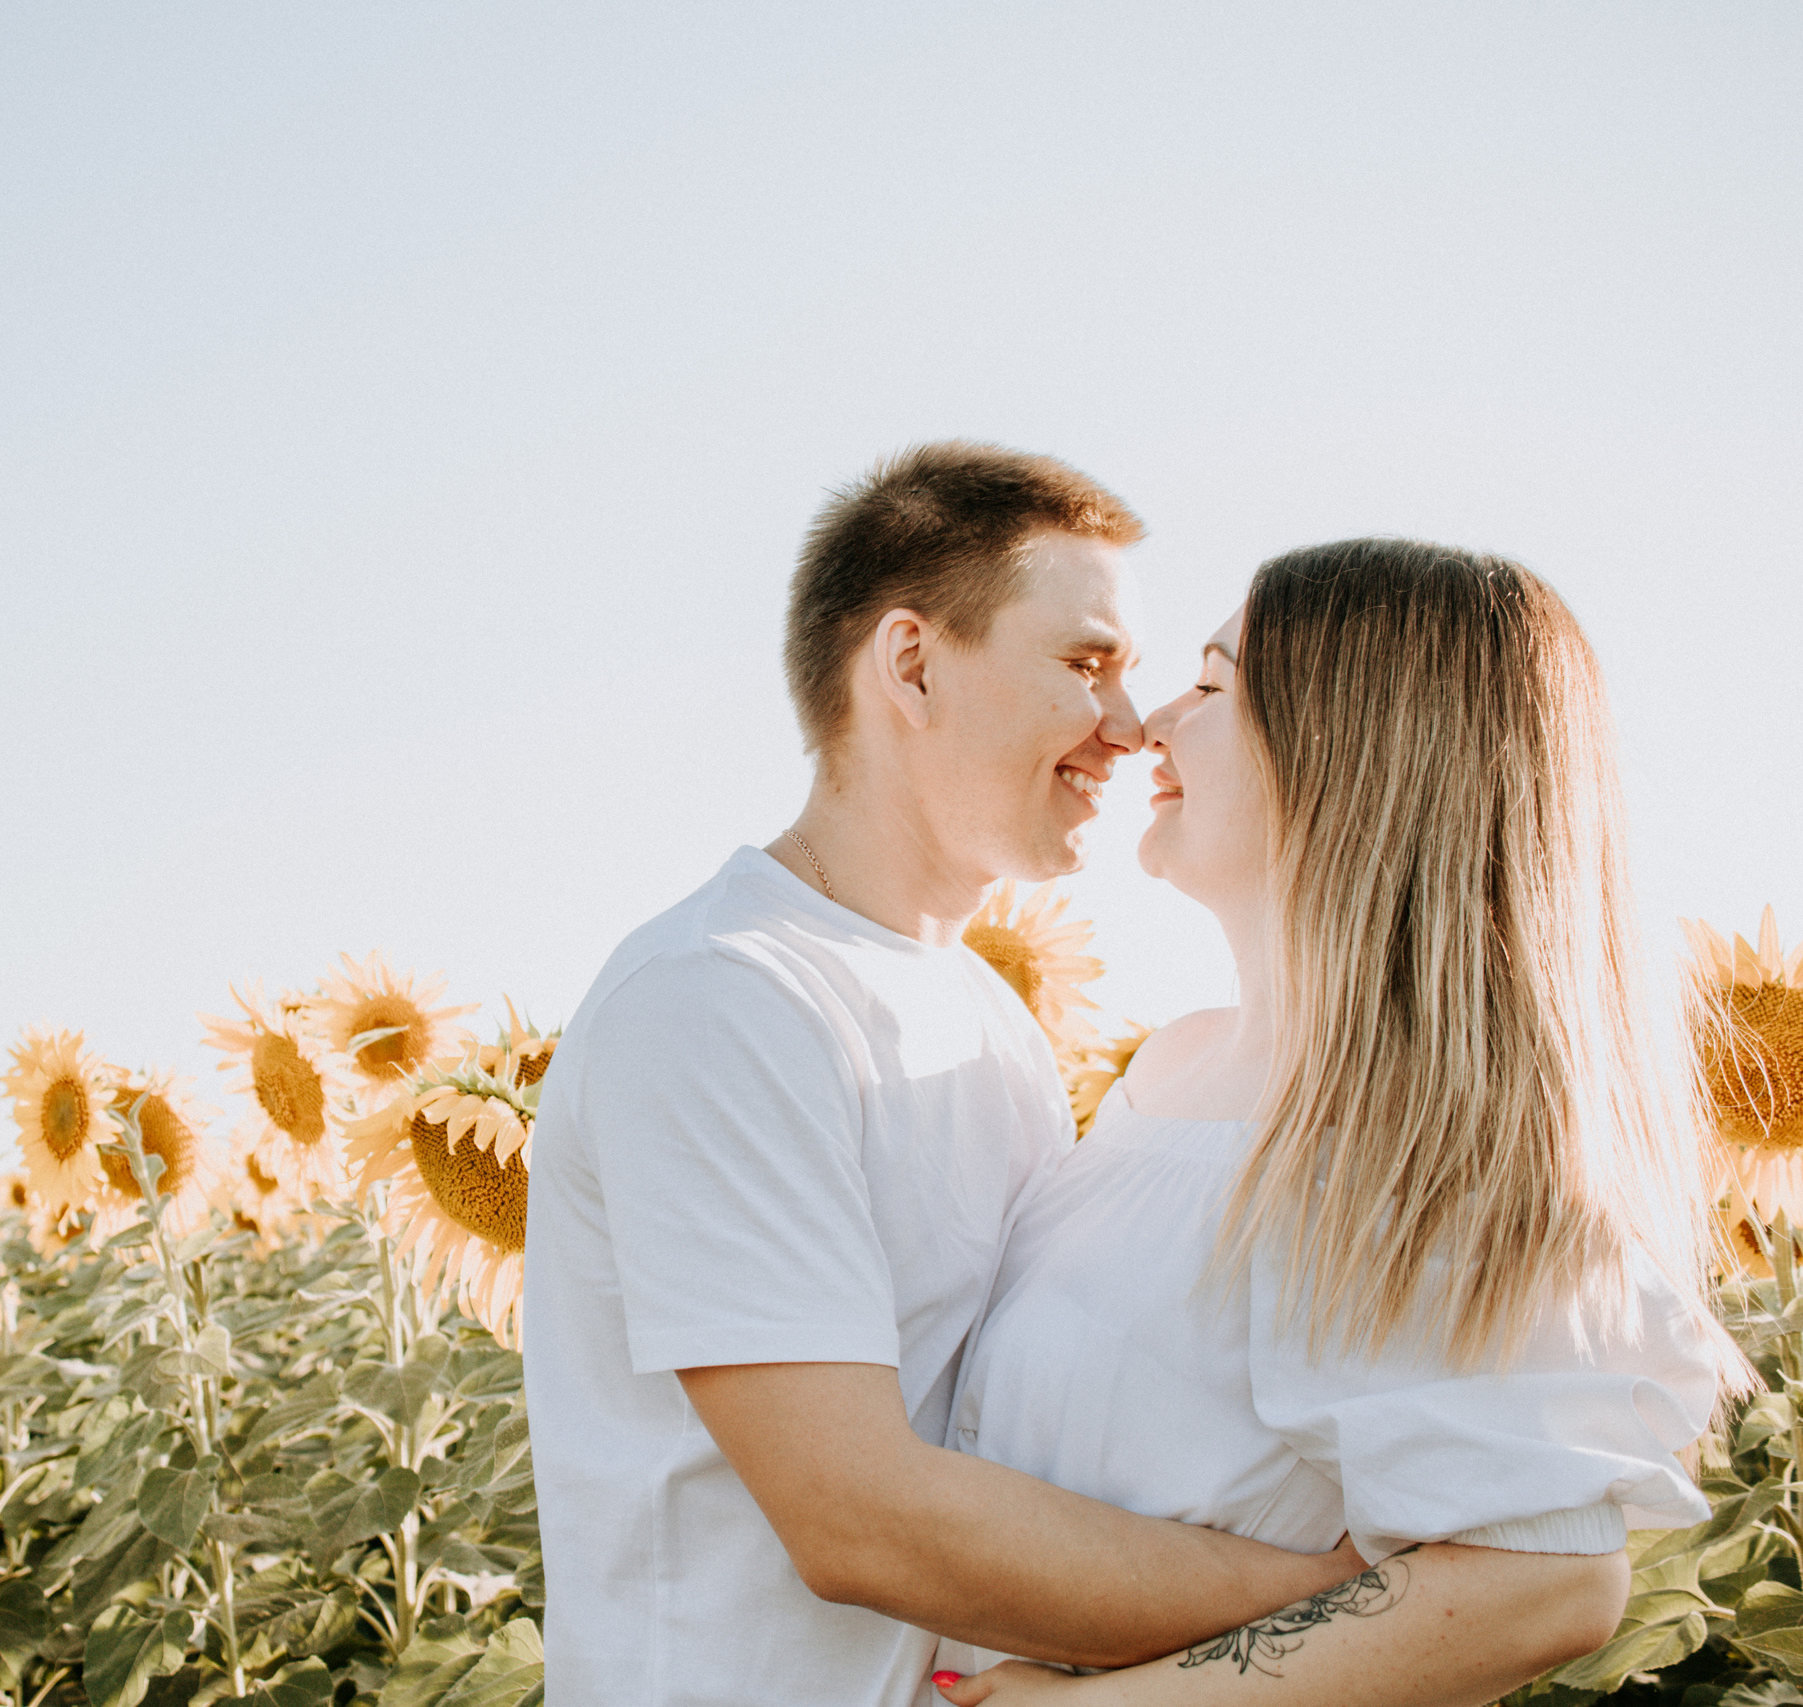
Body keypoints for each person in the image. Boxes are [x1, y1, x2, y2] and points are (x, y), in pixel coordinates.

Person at [523, 443, 1370, 1707]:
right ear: (911, 665)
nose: (1130, 730)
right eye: (1085, 664)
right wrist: (1350, 1606)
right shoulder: (719, 1001)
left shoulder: (989, 1024)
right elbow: (860, 1522)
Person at [934, 539, 1739, 1705]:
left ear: (1349, 752)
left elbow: (1544, 1584)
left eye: (1211, 686)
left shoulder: (1414, 1144)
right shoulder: (1175, 1069)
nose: (1151, 721)